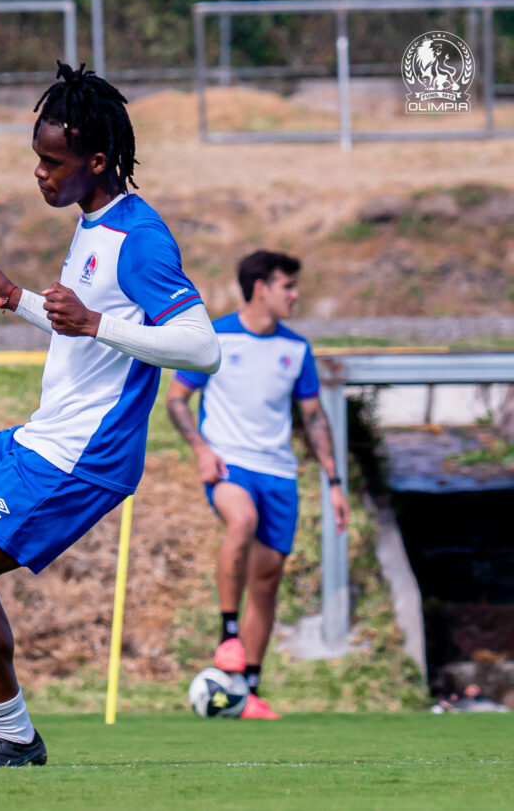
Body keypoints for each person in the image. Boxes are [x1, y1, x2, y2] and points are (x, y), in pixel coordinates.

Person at [0, 62, 221, 769]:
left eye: (52, 162)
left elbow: (202, 347)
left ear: (96, 160)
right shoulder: (91, 225)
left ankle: (13, 734)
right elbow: (82, 325)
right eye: (36, 159)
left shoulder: (140, 239)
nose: (39, 173)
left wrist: (92, 323)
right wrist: (16, 298)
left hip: (85, 457)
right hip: (40, 435)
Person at [166, 250, 349, 719]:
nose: (295, 294)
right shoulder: (216, 338)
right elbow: (177, 400)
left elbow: (314, 419)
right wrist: (203, 451)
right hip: (231, 466)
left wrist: (333, 481)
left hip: (280, 475)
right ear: (260, 287)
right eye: (287, 285)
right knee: (240, 519)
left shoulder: (296, 349)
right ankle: (228, 636)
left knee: (266, 583)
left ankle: (248, 690)